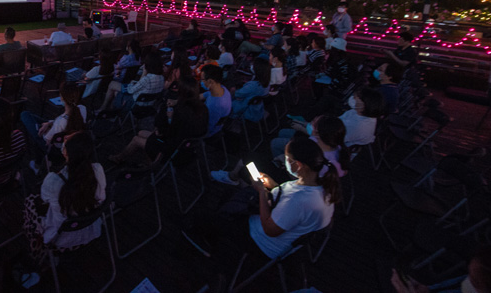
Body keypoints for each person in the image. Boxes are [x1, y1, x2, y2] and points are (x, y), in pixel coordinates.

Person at [183, 136, 338, 263]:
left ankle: (208, 244)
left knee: (200, 216)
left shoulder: (299, 200)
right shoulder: (323, 188)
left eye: (286, 158)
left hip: (260, 242)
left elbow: (270, 230)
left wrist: (262, 193)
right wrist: (273, 185)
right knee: (228, 197)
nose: (284, 161)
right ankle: (215, 232)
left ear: (297, 165)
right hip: (279, 230)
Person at [22, 132, 106, 265]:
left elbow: (44, 199)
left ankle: (43, 252)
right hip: (89, 229)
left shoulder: (53, 180)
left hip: (60, 238)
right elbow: (101, 198)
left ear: (66, 153)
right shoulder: (98, 170)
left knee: (31, 201)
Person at [109, 75, 207, 165]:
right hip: (187, 148)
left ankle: (120, 158)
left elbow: (161, 132)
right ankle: (149, 162)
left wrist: (169, 117)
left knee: (136, 139)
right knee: (141, 133)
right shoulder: (203, 108)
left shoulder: (179, 111)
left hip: (172, 149)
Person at [20, 83, 88, 169]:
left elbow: (46, 139)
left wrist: (45, 128)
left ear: (62, 97)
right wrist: (49, 123)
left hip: (54, 146)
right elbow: (60, 123)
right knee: (31, 116)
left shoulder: (61, 121)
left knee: (24, 115)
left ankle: (37, 166)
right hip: (67, 137)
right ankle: (38, 162)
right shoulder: (82, 109)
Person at [96, 40, 143, 113]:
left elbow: (117, 67)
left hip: (120, 79)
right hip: (128, 80)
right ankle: (109, 108)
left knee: (110, 82)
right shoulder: (138, 58)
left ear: (129, 47)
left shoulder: (126, 58)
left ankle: (103, 108)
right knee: (113, 89)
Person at [201, 64, 232, 136]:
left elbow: (208, 127)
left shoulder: (215, 105)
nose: (201, 82)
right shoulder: (222, 88)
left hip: (208, 131)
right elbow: (205, 94)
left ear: (210, 81)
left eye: (202, 80)